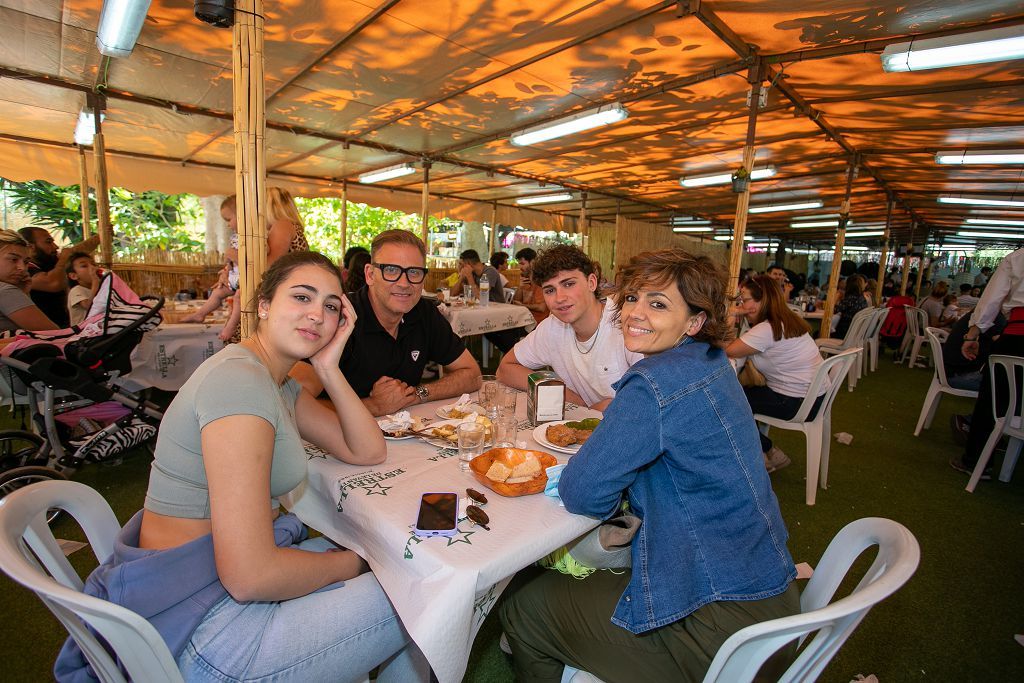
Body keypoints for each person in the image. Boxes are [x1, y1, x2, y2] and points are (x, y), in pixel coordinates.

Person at [54, 251, 429, 682]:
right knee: (420, 590)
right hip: (203, 630)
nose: (317, 315)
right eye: (302, 297)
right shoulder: (241, 383)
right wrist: (361, 561)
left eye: (330, 305)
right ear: (264, 305)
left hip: (197, 586)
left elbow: (366, 450)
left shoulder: (274, 379)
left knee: (403, 572)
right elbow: (252, 576)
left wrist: (328, 367)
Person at [499, 248, 798, 682]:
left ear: (694, 322)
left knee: (525, 607)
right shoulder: (712, 363)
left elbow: (583, 491)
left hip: (720, 630)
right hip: (770, 595)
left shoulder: (653, 384)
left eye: (658, 304)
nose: (636, 313)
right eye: (634, 297)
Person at [291, 230, 481, 416]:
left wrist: (415, 394)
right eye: (391, 270)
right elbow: (293, 401)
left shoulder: (424, 313)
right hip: (330, 439)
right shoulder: (340, 317)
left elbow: (472, 375)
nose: (404, 283)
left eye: (414, 272)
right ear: (370, 274)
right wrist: (373, 406)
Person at [497, 244, 643, 411]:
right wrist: (565, 394)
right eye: (550, 290)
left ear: (591, 282)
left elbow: (648, 398)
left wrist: (597, 409)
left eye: (568, 284)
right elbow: (505, 369)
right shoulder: (553, 328)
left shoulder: (626, 324)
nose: (559, 298)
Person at [726, 275, 827, 472]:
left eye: (745, 300)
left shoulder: (766, 329)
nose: (742, 304)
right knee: (744, 396)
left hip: (794, 402)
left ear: (760, 301)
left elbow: (729, 350)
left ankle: (767, 451)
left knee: (730, 403)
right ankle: (764, 453)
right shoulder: (786, 319)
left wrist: (732, 314)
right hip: (815, 398)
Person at [951, 248, 1024, 478]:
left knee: (993, 401)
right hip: (1016, 333)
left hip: (1017, 340)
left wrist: (973, 333)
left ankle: (976, 461)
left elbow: (992, 298)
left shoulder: (1018, 257)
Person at [18, 226, 100, 328]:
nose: (55, 246)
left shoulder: (50, 261)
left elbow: (76, 251)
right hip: (46, 332)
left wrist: (100, 236)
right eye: (48, 242)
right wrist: (64, 259)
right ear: (30, 247)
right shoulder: (23, 269)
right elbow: (54, 283)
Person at [451, 248, 522, 352]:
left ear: (468, 264)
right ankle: (460, 353)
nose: (460, 267)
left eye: (462, 264)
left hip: (497, 316)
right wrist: (461, 277)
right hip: (481, 314)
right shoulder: (471, 274)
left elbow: (481, 297)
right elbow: (453, 294)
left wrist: (469, 277)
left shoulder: (490, 272)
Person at [0, 229, 60, 333]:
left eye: (26, 262)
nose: (22, 268)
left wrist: (24, 294)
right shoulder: (5, 291)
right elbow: (53, 333)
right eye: (14, 259)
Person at [511, 247, 548, 323]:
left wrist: (523, 306)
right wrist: (520, 287)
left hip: (537, 324)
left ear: (532, 262)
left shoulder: (540, 281)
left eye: (522, 264)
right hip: (523, 320)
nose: (520, 267)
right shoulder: (525, 278)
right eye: (519, 264)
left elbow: (542, 308)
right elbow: (516, 301)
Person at [65, 251, 101, 326]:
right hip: (84, 333)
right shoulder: (76, 290)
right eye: (84, 266)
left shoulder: (100, 288)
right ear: (73, 276)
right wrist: (95, 283)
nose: (92, 268)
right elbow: (88, 306)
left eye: (93, 264)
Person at [832, 274, 868, 340]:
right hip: (855, 333)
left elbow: (833, 310)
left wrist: (836, 297)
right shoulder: (862, 298)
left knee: (820, 333)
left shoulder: (850, 299)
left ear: (849, 285)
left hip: (844, 333)